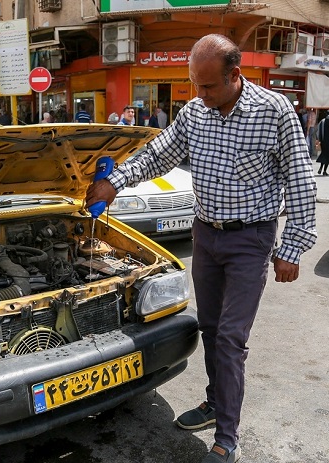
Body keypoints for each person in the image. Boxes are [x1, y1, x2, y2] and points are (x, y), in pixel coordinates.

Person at [85, 34, 316, 463]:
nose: (199, 94)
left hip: (251, 239)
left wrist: (294, 246)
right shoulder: (195, 113)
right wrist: (113, 182)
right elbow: (156, 156)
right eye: (195, 84)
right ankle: (214, 402)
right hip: (204, 236)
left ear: (236, 76)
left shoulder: (274, 112)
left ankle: (227, 438)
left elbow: (301, 181)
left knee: (230, 338)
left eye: (208, 86)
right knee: (209, 328)